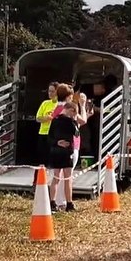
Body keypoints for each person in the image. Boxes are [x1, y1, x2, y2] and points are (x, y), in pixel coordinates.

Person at [46, 84, 80, 212]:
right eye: (74, 113)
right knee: (67, 178)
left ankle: (52, 202)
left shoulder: (55, 120)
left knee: (56, 177)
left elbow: (49, 137)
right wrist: (75, 120)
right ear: (70, 111)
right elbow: (76, 133)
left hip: (56, 151)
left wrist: (56, 143)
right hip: (67, 152)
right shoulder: (70, 122)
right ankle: (69, 203)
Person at [35, 81, 59, 153]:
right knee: (42, 154)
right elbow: (37, 118)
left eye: (52, 91)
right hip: (43, 132)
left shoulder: (60, 104)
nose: (50, 93)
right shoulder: (45, 103)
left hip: (54, 134)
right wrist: (46, 118)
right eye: (49, 91)